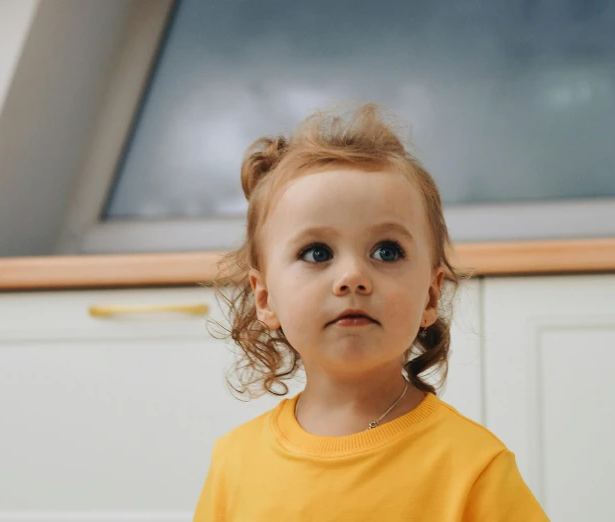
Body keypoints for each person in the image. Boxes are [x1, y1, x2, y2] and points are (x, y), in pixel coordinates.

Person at [194, 104, 549, 521]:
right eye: (317, 253)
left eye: (386, 251)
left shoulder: (474, 466)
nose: (352, 278)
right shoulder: (235, 462)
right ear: (265, 298)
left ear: (431, 297)